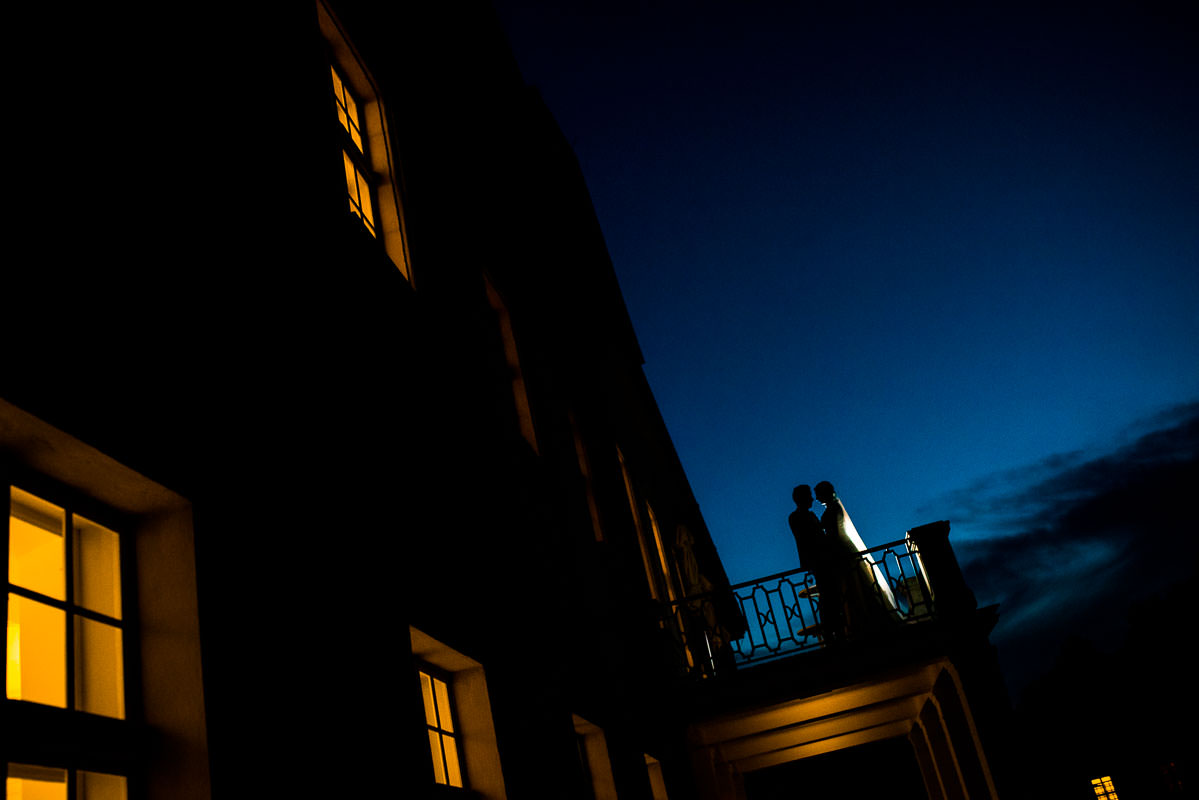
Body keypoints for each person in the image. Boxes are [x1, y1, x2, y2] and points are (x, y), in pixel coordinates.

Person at [814, 481, 898, 636]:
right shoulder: (833, 507)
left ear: (824, 494)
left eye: (818, 494)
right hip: (843, 548)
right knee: (857, 584)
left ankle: (865, 622)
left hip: (841, 550)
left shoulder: (833, 509)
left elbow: (834, 534)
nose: (817, 498)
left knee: (854, 584)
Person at [789, 484, 844, 642]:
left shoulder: (809, 515)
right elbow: (806, 540)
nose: (812, 499)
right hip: (818, 560)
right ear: (802, 498)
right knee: (827, 596)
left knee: (830, 595)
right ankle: (831, 631)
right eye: (809, 496)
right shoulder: (796, 517)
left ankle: (835, 629)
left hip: (825, 559)